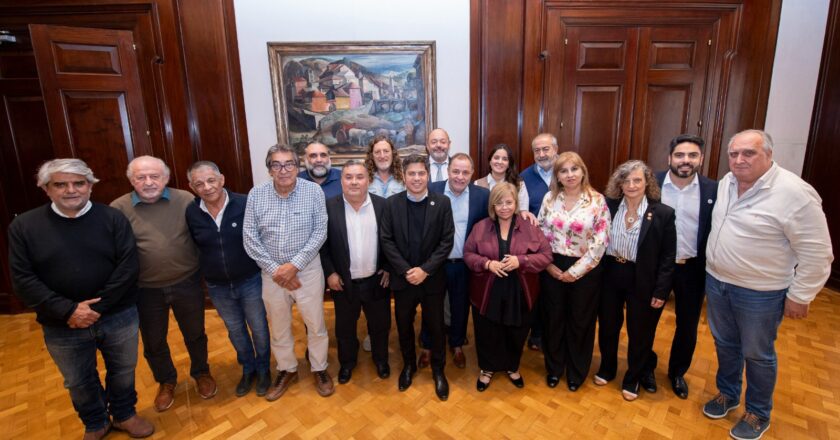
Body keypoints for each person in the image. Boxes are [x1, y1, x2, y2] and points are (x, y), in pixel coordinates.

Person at [8, 159, 154, 439]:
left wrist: (96, 309)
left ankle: (124, 414)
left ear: (90, 186)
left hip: (117, 314)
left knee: (123, 370)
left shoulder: (112, 218)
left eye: (78, 183)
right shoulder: (24, 226)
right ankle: (95, 422)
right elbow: (23, 279)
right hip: (61, 322)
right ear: (46, 189)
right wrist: (69, 310)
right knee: (77, 380)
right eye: (60, 184)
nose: (70, 190)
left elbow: (128, 267)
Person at [702, 130, 833, 440]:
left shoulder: (795, 194)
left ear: (769, 155)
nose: (739, 159)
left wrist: (801, 295)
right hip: (718, 282)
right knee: (725, 344)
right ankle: (728, 394)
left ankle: (758, 412)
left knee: (758, 353)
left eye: (749, 153)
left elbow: (818, 252)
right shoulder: (727, 182)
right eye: (734, 154)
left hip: (760, 294)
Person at [111, 156, 216, 412]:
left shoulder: (187, 200)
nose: (148, 182)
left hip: (186, 282)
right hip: (145, 290)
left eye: (154, 176)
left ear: (166, 178)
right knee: (154, 341)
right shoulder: (118, 209)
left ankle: (201, 372)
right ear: (131, 181)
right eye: (140, 177)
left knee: (195, 333)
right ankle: (166, 381)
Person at [243, 144, 333, 399]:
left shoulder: (313, 191)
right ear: (269, 169)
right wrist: (277, 270)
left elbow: (319, 232)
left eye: (289, 164)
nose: (283, 170)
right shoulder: (256, 195)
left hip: (307, 270)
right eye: (276, 165)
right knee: (279, 326)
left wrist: (293, 267)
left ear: (298, 167)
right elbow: (250, 237)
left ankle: (319, 367)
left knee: (315, 324)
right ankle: (287, 368)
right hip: (271, 275)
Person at [185, 161, 272, 397]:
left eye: (211, 180)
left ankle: (264, 369)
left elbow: (262, 237)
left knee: (259, 328)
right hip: (217, 286)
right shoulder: (192, 211)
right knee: (235, 331)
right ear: (192, 187)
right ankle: (248, 369)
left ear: (222, 179)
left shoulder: (246, 203)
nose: (207, 187)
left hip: (250, 279)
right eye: (199, 183)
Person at [594, 160, 676, 402]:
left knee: (640, 332)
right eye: (626, 180)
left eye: (637, 180)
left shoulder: (662, 213)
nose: (631, 185)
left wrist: (661, 291)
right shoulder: (607, 206)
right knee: (608, 326)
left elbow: (668, 257)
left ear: (647, 183)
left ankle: (633, 378)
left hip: (642, 278)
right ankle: (607, 368)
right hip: (610, 274)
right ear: (618, 184)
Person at [463, 182, 552, 391]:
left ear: (516, 203)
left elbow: (546, 256)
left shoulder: (530, 227)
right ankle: (487, 369)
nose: (504, 207)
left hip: (520, 291)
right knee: (487, 331)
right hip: (487, 289)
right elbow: (468, 254)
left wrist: (521, 261)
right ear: (492, 206)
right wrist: (487, 263)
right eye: (499, 203)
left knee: (517, 331)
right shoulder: (481, 227)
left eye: (509, 202)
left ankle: (512, 366)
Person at [380, 154, 454, 401]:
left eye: (421, 173)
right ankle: (409, 365)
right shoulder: (391, 204)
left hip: (432, 280)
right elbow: (387, 240)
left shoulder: (442, 203)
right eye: (411, 173)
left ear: (428, 175)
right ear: (404, 176)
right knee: (403, 326)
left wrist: (425, 270)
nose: (416, 178)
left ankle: (438, 370)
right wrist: (405, 270)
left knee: (436, 327)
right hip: (404, 281)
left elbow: (446, 241)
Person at [537, 152, 610, 391]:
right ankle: (555, 368)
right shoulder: (550, 198)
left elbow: (600, 243)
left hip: (586, 269)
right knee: (553, 320)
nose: (569, 175)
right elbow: (540, 233)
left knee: (581, 322)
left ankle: (576, 372)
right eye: (564, 171)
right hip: (552, 265)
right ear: (557, 175)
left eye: (574, 169)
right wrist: (548, 265)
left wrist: (574, 273)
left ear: (583, 171)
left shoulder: (597, 201)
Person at [655, 134, 718, 399]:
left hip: (692, 268)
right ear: (670, 158)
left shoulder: (714, 190)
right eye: (680, 155)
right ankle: (645, 366)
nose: (685, 161)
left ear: (700, 159)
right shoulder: (651, 184)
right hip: (657, 266)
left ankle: (677, 372)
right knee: (646, 320)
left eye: (692, 155)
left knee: (687, 324)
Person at [320, 160, 392, 384]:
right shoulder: (328, 207)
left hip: (376, 280)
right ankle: (347, 364)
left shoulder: (383, 206)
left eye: (359, 177)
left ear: (368, 180)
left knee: (380, 326)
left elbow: (393, 241)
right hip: (343, 282)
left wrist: (389, 268)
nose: (354, 182)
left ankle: (381, 360)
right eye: (348, 177)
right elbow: (322, 245)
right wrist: (330, 273)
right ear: (341, 181)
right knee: (345, 329)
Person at [418, 153, 490, 369]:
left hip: (464, 264)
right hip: (435, 263)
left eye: (465, 172)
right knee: (432, 306)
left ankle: (457, 344)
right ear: (448, 171)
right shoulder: (432, 190)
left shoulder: (482, 196)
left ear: (472, 174)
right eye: (456, 171)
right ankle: (427, 345)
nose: (460, 176)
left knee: (461, 306)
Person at [519, 133, 559, 350]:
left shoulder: (567, 171)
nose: (542, 154)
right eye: (537, 150)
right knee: (536, 293)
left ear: (556, 149)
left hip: (563, 248)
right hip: (535, 248)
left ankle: (555, 336)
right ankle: (536, 334)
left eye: (546, 149)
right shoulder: (524, 177)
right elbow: (521, 211)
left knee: (556, 296)